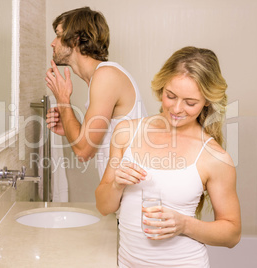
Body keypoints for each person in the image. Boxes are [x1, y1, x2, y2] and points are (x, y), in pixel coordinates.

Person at [95, 46, 241, 267]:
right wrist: (116, 185)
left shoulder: (214, 157)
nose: (176, 108)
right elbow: (103, 206)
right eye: (170, 96)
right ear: (161, 87)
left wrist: (184, 225)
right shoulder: (126, 132)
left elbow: (232, 234)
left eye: (190, 103)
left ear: (207, 102)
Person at [45, 7, 148, 179]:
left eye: (58, 34)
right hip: (123, 193)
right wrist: (70, 128)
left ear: (75, 39)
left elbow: (83, 152)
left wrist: (62, 100)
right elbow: (88, 146)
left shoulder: (106, 76)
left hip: (138, 197)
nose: (53, 43)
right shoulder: (99, 79)